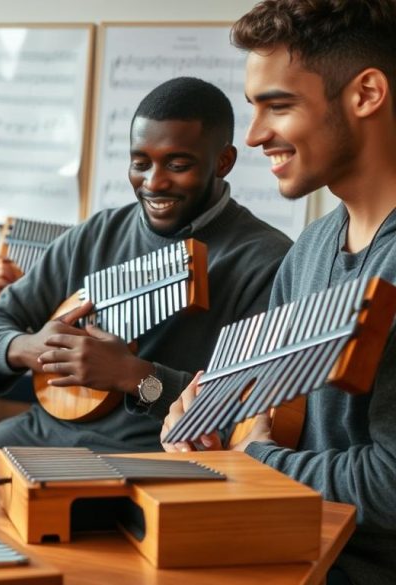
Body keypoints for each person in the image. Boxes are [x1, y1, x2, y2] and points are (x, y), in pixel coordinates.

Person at [162, 3, 396, 583]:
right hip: (284, 538)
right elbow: (261, 407)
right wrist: (206, 421)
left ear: (366, 93)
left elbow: (389, 485)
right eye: (254, 107)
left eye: (279, 105)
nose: (255, 135)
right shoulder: (311, 248)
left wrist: (256, 459)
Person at [0, 77, 292, 451]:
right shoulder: (96, 234)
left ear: (223, 161)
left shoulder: (266, 261)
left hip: (148, 456)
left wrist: (135, 376)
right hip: (40, 432)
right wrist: (31, 348)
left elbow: (248, 411)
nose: (154, 183)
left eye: (178, 164)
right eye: (140, 163)